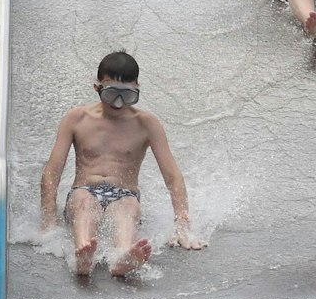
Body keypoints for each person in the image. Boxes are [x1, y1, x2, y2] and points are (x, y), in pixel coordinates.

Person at [38, 50, 204, 278]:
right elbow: (52, 172)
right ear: (97, 87)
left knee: (127, 207)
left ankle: (123, 257)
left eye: (127, 95)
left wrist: (182, 223)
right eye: (111, 94)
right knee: (84, 202)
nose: (118, 102)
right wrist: (48, 220)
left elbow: (173, 176)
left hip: (125, 194)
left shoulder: (146, 124)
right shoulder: (76, 119)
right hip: (84, 190)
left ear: (137, 88)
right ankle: (83, 255)